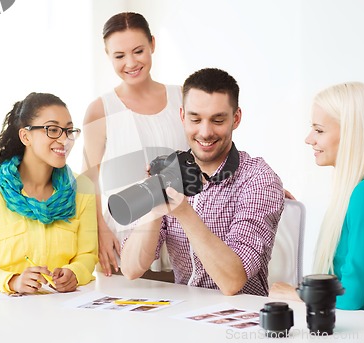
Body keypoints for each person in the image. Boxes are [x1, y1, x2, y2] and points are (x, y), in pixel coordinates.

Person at [120, 68, 284, 296]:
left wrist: (185, 213)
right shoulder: (170, 170)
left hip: (240, 317)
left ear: (236, 118)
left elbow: (232, 281)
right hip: (185, 315)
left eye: (217, 120)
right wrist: (154, 204)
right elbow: (130, 269)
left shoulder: (258, 179)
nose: (205, 132)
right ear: (182, 116)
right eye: (195, 119)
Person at [271, 82, 364, 316]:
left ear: (350, 133)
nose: (309, 139)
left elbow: (352, 297)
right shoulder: (359, 190)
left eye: (319, 130)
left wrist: (298, 294)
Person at [82, 12, 188, 276]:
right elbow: (88, 179)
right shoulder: (100, 109)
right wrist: (100, 231)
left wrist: (254, 179)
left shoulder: (184, 96)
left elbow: (213, 150)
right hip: (125, 236)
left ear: (152, 44)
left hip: (183, 231)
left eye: (138, 51)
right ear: (107, 55)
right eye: (119, 56)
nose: (130, 63)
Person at [0, 92, 98, 294]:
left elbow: (87, 255)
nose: (64, 139)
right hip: (7, 315)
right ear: (26, 136)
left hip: (66, 311)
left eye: (69, 130)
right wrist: (12, 281)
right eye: (52, 130)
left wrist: (74, 272)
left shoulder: (83, 189)